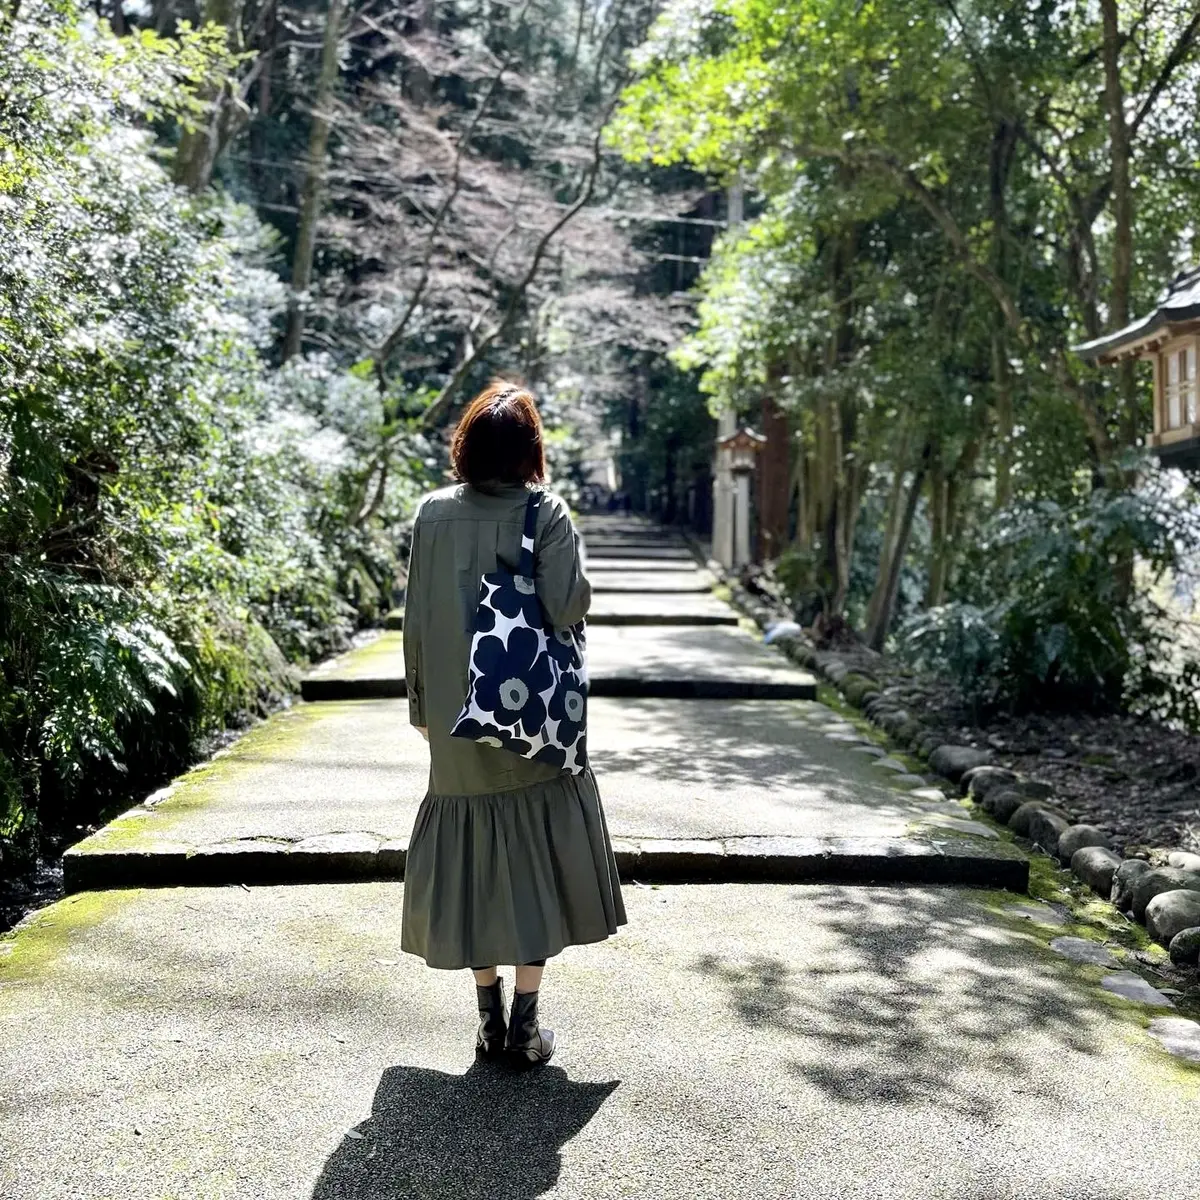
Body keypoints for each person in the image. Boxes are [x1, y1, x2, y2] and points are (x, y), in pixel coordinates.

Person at [400, 380, 626, 1068]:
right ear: (531, 452)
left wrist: (421, 708)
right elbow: (566, 604)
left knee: (471, 856)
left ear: (465, 447)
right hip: (532, 717)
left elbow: (414, 620)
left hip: (454, 715)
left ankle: (487, 1019)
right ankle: (526, 1027)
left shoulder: (431, 515)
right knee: (535, 858)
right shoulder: (547, 512)